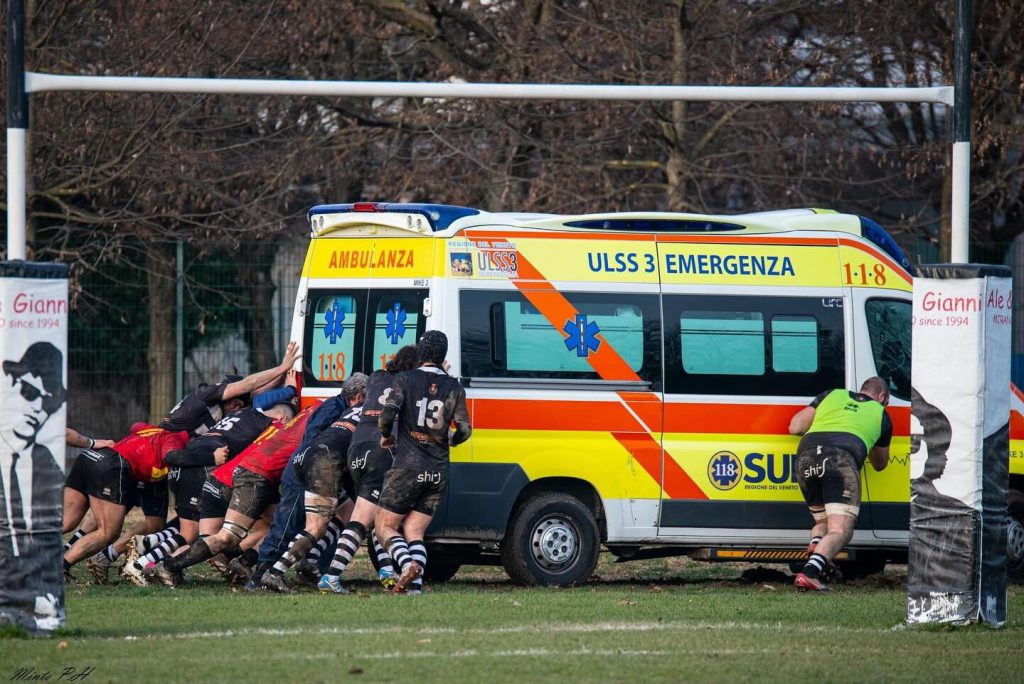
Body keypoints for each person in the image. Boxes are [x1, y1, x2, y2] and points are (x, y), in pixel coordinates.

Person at [82, 341, 300, 581]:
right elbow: (251, 389)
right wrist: (284, 372)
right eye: (238, 400)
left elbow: (255, 394)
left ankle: (129, 552)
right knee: (196, 532)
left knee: (166, 525)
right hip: (185, 462)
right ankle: (145, 559)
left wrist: (284, 385)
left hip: (173, 467)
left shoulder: (227, 413)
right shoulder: (210, 396)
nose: (239, 405)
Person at [151, 399, 322, 586]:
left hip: (218, 475)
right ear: (282, 418)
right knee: (227, 539)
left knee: (207, 542)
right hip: (247, 476)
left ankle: (152, 565)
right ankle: (170, 566)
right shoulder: (303, 423)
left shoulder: (262, 422)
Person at [375, 331, 472, 594]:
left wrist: (386, 437)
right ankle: (415, 589)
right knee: (414, 530)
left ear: (420, 352)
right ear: (443, 355)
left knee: (384, 525)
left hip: (408, 465)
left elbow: (387, 416)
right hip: (438, 470)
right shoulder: (454, 386)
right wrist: (449, 440)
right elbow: (464, 430)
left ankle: (407, 566)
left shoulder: (405, 379)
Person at [319, 345, 419, 594]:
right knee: (368, 520)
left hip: (357, 447)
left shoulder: (376, 376)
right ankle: (332, 576)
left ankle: (392, 569)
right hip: (381, 448)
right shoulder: (409, 383)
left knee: (374, 517)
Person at [260, 373, 367, 593]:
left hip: (320, 468)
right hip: (308, 471)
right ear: (357, 397)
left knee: (344, 513)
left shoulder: (342, 409)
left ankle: (311, 566)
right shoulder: (333, 408)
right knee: (291, 526)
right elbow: (313, 439)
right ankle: (263, 574)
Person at [788, 376, 892, 591]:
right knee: (841, 530)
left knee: (823, 522)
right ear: (882, 397)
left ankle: (817, 547)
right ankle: (810, 573)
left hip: (806, 456)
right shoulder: (881, 413)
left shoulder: (831, 394)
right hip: (840, 459)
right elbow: (879, 464)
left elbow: (795, 426)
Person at [62, 424, 188, 573]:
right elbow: (172, 455)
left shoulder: (159, 431)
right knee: (107, 533)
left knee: (65, 522)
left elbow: (136, 426)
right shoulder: (176, 440)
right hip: (112, 465)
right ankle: (59, 567)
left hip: (90, 455)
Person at [1, 342, 68, 558]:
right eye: (30, 392)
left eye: (49, 400)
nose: (39, 407)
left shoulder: (46, 463)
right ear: (10, 383)